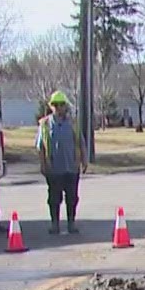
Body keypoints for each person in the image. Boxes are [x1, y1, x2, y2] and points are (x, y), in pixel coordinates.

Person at [35, 90, 87, 235]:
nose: (58, 108)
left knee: (72, 197)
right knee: (54, 198)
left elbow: (81, 143)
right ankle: (55, 224)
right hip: (54, 169)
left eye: (61, 105)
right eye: (55, 105)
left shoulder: (73, 123)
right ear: (51, 106)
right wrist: (43, 164)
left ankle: (71, 223)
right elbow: (40, 147)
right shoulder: (45, 125)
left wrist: (84, 160)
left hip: (71, 167)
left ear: (66, 106)